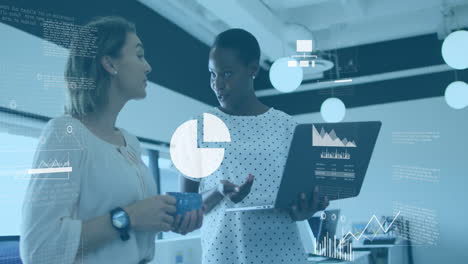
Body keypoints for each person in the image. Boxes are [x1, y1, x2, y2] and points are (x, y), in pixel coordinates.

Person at [20, 16, 202, 264]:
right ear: (109, 63)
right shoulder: (64, 134)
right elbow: (38, 250)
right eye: (139, 55)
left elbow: (130, 231)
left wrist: (166, 220)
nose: (147, 66)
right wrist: (129, 217)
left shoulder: (130, 142)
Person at [181, 28, 329, 264]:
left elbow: (296, 206)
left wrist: (305, 210)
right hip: (224, 257)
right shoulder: (196, 129)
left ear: (253, 69)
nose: (217, 84)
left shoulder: (288, 127)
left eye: (227, 73)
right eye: (212, 74)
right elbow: (184, 213)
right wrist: (218, 192)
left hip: (284, 255)